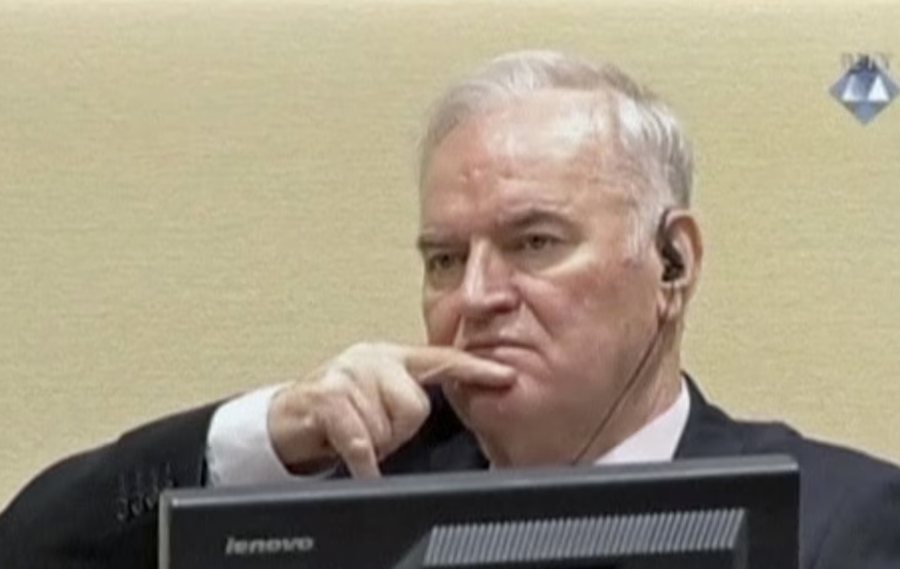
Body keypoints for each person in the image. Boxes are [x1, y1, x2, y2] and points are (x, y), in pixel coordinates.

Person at [1, 50, 898, 568]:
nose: (474, 296)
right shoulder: (352, 493)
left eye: (534, 242)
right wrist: (273, 434)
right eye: (443, 258)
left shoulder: (840, 518)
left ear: (673, 263)